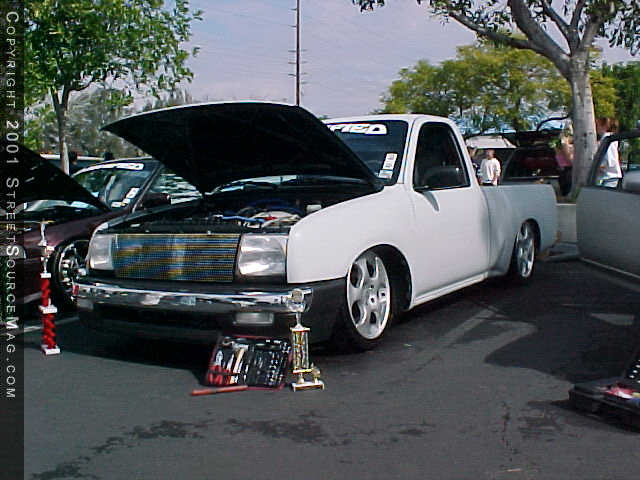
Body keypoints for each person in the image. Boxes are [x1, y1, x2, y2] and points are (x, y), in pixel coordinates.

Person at [595, 117, 622, 187]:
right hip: (607, 177)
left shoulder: (608, 138)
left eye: (598, 125)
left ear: (605, 126)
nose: (596, 128)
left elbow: (610, 159)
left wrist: (598, 167)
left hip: (609, 177)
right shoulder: (608, 138)